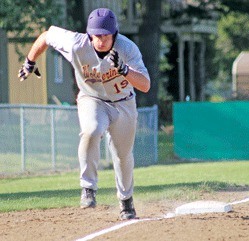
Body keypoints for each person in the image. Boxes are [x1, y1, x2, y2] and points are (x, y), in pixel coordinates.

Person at [18, 8, 151, 220]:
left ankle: (126, 201)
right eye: (97, 35)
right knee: (91, 130)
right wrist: (30, 61)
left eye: (106, 35)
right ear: (89, 34)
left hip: (123, 103)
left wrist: (124, 70)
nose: (101, 40)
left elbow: (145, 85)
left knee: (122, 155)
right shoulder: (76, 43)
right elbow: (46, 35)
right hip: (92, 99)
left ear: (114, 33)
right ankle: (88, 188)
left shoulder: (127, 48)